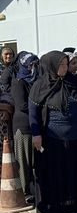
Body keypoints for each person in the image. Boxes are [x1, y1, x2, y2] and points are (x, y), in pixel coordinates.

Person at [29, 51, 77, 213]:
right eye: (61, 65)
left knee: (75, 171)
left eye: (66, 64)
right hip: (54, 138)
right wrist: (36, 134)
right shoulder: (41, 85)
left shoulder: (73, 81)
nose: (65, 68)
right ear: (52, 66)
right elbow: (33, 112)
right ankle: (60, 204)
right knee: (58, 173)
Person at [10, 51, 39, 203]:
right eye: (31, 65)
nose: (34, 68)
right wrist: (37, 106)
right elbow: (21, 105)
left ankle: (34, 190)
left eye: (35, 64)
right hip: (23, 126)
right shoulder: (19, 82)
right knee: (24, 162)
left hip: (34, 126)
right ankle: (25, 193)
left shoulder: (34, 81)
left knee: (34, 162)